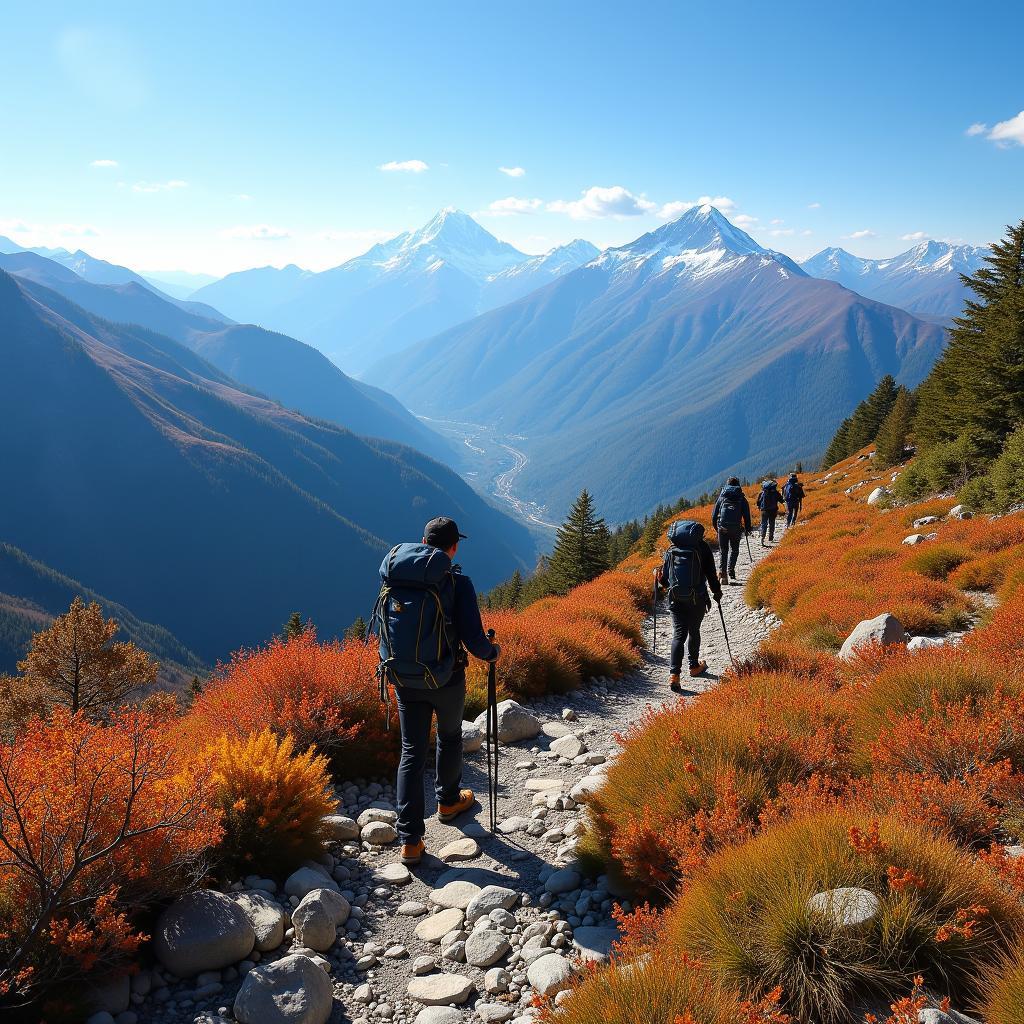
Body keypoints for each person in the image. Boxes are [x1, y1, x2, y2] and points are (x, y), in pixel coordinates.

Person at [372, 516, 500, 866]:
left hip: (403, 677)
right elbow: (474, 639)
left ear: (423, 542)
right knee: (450, 737)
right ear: (453, 546)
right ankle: (448, 802)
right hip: (446, 678)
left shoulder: (395, 578)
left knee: (411, 752)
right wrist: (493, 653)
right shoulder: (458, 583)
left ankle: (410, 841)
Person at [653, 520, 722, 693]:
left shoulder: (671, 550)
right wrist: (717, 593)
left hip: (675, 599)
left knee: (678, 635)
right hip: (697, 598)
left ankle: (674, 675)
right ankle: (693, 666)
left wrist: (657, 577)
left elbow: (665, 581)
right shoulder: (703, 547)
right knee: (694, 631)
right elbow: (711, 574)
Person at [711, 477, 752, 584]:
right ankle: (731, 570)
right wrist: (748, 529)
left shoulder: (722, 497)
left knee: (723, 551)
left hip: (722, 528)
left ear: (727, 485)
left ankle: (723, 575)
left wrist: (717, 528)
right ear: (738, 485)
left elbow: (714, 515)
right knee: (734, 550)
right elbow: (747, 516)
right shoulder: (742, 499)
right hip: (736, 528)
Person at [757, 479, 785, 545]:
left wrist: (760, 507)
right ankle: (771, 537)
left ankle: (762, 537)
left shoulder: (762, 493)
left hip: (764, 511)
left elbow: (758, 502)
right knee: (772, 524)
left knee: (764, 524)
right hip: (773, 510)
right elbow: (782, 500)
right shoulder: (776, 492)